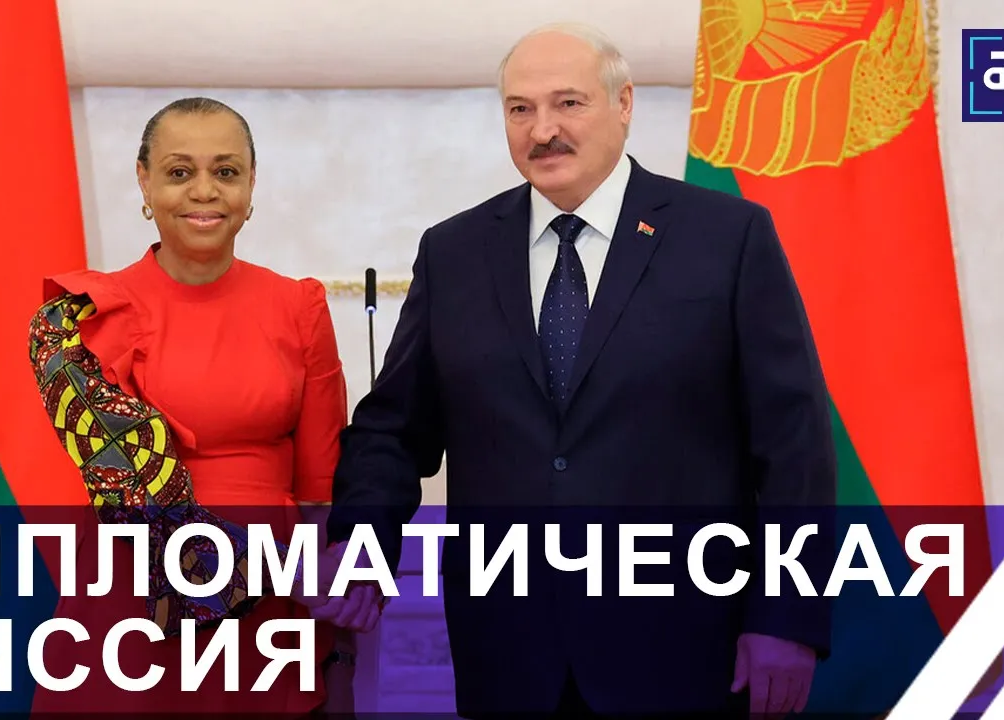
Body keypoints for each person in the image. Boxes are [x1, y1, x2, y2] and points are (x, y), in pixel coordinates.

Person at [325, 23, 837, 718]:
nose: (543, 131)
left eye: (568, 103)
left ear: (624, 104)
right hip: (510, 650)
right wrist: (363, 537)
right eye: (520, 109)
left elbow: (793, 445)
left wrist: (787, 616)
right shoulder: (454, 251)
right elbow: (393, 430)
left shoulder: (728, 236)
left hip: (687, 642)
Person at [26, 97, 381, 717]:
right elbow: (135, 496)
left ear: (251, 183)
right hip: (136, 599)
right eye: (179, 171)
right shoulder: (77, 318)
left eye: (226, 171)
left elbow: (322, 490)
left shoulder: (299, 306)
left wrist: (341, 593)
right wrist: (287, 572)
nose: (205, 191)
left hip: (278, 614)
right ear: (144, 181)